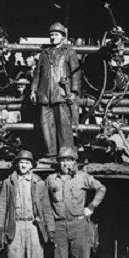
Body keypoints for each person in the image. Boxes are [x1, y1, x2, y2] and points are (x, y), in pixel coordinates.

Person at [46, 146, 106, 258]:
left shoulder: (82, 178)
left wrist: (92, 207)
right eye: (63, 160)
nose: (66, 163)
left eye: (69, 160)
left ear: (74, 162)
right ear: (59, 162)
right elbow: (45, 202)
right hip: (59, 226)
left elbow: (101, 188)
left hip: (79, 225)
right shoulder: (51, 180)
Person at [30, 22, 81, 157]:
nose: (53, 37)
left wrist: (74, 92)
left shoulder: (69, 52)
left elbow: (76, 73)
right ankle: (50, 155)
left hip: (62, 95)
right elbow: (37, 74)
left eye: (56, 34)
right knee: (46, 127)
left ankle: (66, 155)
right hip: (44, 96)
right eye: (51, 35)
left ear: (63, 37)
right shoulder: (44, 54)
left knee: (64, 127)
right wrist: (33, 90)